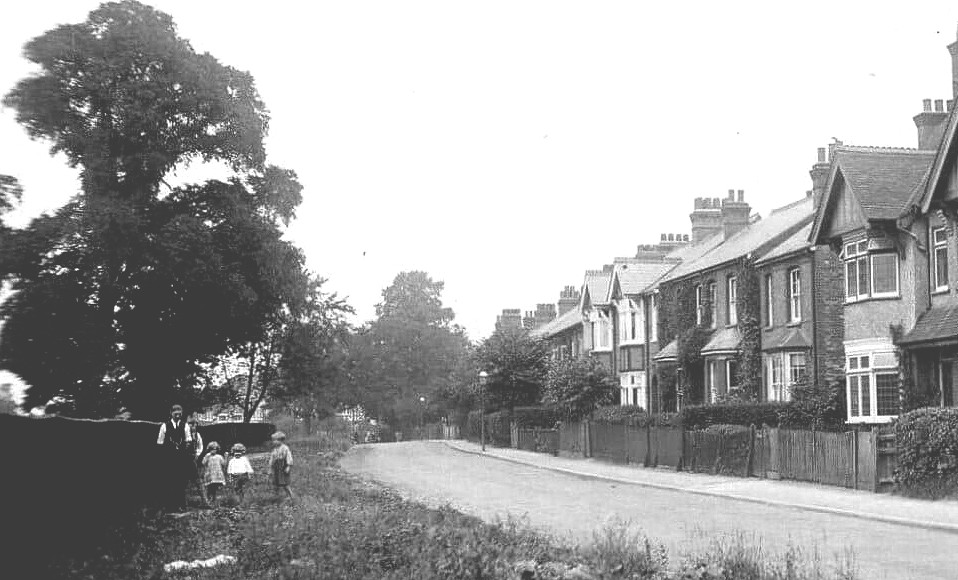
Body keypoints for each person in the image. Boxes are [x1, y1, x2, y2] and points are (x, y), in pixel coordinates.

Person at [156, 404, 199, 510]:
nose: (177, 416)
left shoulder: (185, 426)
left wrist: (183, 449)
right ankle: (170, 506)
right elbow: (160, 442)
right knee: (169, 480)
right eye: (175, 414)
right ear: (171, 413)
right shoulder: (164, 426)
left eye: (179, 414)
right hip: (168, 458)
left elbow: (188, 440)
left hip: (181, 458)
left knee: (180, 481)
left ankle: (181, 505)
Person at [269, 431, 294, 502]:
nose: (274, 442)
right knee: (276, 483)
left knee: (285, 483)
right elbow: (272, 458)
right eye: (273, 440)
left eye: (276, 440)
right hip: (276, 468)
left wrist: (288, 466)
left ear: (281, 440)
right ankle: (276, 496)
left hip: (283, 467)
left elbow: (289, 457)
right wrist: (270, 467)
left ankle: (291, 495)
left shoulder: (285, 448)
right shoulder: (275, 449)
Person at [202, 442, 227, 507]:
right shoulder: (208, 456)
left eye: (215, 449)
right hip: (210, 475)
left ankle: (214, 500)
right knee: (209, 488)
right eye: (212, 449)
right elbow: (203, 463)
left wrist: (226, 457)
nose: (213, 451)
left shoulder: (219, 456)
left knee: (215, 488)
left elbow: (224, 464)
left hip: (216, 475)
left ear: (217, 449)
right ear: (209, 450)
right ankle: (208, 500)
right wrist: (207, 456)